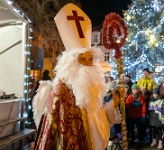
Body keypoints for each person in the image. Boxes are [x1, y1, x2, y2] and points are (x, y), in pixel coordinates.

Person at [33, 3, 121, 150]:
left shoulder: (91, 87)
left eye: (90, 59)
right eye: (82, 59)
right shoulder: (61, 92)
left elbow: (96, 119)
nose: (87, 64)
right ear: (71, 64)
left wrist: (113, 104)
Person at [126, 84, 146, 149]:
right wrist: (132, 104)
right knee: (131, 129)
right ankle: (131, 140)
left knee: (139, 129)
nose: (134, 91)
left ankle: (139, 141)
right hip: (131, 116)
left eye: (135, 90)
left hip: (139, 116)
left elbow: (143, 106)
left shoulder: (140, 97)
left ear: (138, 90)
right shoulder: (130, 97)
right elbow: (127, 105)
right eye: (133, 90)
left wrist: (143, 115)